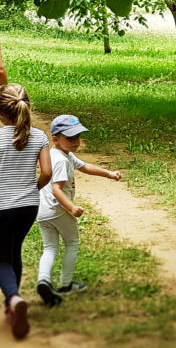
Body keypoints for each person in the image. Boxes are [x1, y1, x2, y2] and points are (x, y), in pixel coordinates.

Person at [36, 114, 121, 307]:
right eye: (70, 138)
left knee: (50, 247)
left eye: (78, 137)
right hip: (58, 210)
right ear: (55, 139)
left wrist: (108, 173)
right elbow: (57, 189)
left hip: (42, 211)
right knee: (72, 243)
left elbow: (84, 166)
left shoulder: (58, 154)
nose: (76, 141)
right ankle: (65, 285)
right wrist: (71, 207)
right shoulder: (62, 161)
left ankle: (44, 280)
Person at [0, 82, 52, 339]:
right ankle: (13, 303)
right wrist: (32, 188)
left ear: (0, 113)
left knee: (1, 258)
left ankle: (13, 298)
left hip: (1, 206)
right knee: (13, 250)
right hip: (28, 206)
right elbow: (47, 173)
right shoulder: (40, 136)